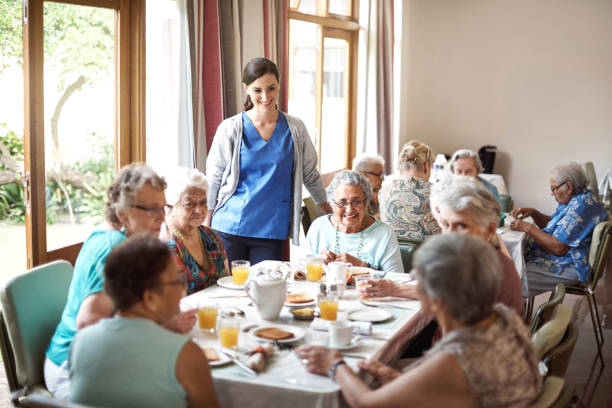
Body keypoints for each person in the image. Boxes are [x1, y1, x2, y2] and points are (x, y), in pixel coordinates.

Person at [297, 234, 542, 408]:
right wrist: (391, 375)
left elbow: (365, 403)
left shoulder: (455, 360)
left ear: (437, 300)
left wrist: (335, 364)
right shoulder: (501, 318)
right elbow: (450, 390)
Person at [45, 164, 197, 399]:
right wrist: (164, 328)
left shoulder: (124, 240)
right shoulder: (112, 247)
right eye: (150, 209)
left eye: (163, 207)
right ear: (122, 213)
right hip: (73, 368)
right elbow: (89, 324)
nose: (161, 217)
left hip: (99, 358)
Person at [69, 235, 219, 408]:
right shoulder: (186, 354)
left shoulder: (80, 341)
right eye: (176, 282)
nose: (182, 289)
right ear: (150, 298)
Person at [206, 57, 330, 264]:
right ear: (246, 89)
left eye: (271, 88)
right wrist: (206, 223)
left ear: (279, 85)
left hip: (271, 229)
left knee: (267, 291)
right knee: (228, 292)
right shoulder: (230, 128)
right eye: (257, 90)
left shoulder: (295, 129)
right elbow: (214, 177)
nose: (265, 96)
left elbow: (310, 173)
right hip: (229, 225)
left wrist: (329, 212)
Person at [362, 175, 523, 316]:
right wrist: (393, 288)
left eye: (461, 226)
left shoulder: (487, 274)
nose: (449, 236)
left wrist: (395, 288)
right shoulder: (479, 256)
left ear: (489, 229)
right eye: (445, 225)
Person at [510, 162, 609, 296]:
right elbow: (556, 227)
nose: (552, 194)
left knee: (510, 278)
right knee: (509, 263)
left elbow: (558, 248)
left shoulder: (581, 206)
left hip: (568, 264)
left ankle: (508, 312)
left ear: (568, 187)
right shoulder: (577, 198)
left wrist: (528, 228)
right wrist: (534, 213)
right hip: (562, 258)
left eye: (553, 189)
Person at [305, 170, 403, 273]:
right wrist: (315, 261)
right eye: (342, 203)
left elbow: (397, 279)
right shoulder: (318, 227)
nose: (349, 209)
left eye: (356, 202)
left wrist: (362, 266)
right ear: (332, 203)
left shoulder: (384, 234)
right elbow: (300, 271)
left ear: (366, 202)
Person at [161, 167, 229, 294]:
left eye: (203, 202)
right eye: (189, 204)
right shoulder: (165, 244)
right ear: (172, 204)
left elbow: (226, 281)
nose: (199, 210)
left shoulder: (212, 237)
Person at [379, 140, 441, 240]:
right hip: (429, 253)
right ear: (426, 166)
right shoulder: (437, 193)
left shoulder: (384, 192)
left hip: (391, 252)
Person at [352, 154, 385, 218]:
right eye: (379, 175)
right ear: (363, 175)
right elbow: (360, 224)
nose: (383, 179)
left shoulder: (375, 192)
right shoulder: (354, 196)